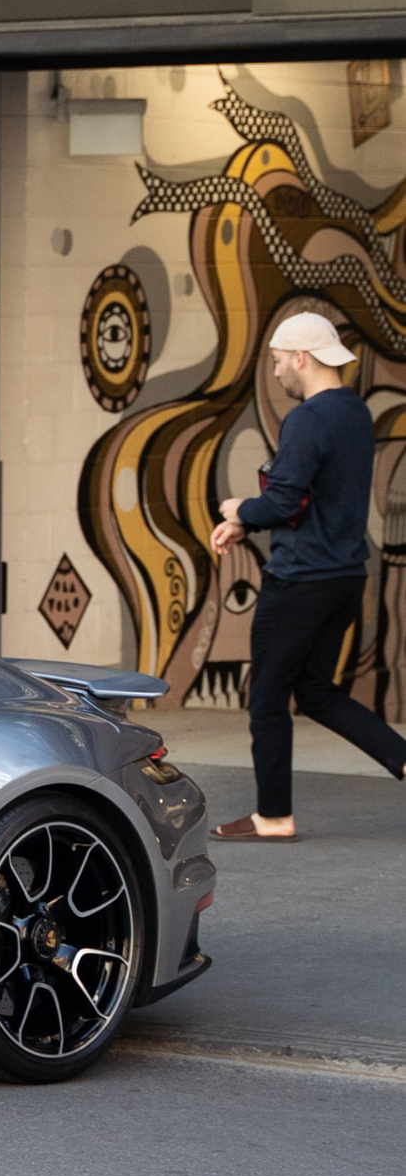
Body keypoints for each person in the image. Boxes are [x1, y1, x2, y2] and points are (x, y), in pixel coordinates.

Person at [207, 306, 406, 840]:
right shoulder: (355, 414)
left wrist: (237, 511)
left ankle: (273, 816)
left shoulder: (308, 419)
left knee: (268, 698)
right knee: (316, 691)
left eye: (276, 362)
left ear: (301, 357)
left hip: (299, 582)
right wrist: (248, 525)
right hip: (345, 579)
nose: (274, 374)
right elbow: (311, 500)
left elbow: (281, 502)